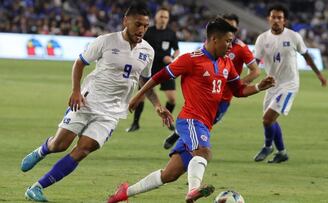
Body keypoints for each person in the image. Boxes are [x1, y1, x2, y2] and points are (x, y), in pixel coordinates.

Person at [107, 17, 275, 203]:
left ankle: (123, 193)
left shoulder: (226, 63)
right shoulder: (191, 60)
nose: (230, 46)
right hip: (191, 120)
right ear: (214, 39)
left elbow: (239, 91)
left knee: (169, 174)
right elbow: (160, 76)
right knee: (204, 153)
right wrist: (139, 95)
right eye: (228, 41)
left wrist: (260, 86)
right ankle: (193, 191)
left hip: (204, 124)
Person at [20, 3, 173, 202]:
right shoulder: (106, 41)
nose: (142, 30)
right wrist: (76, 91)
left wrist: (158, 105)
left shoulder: (148, 51)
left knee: (83, 149)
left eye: (145, 25)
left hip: (112, 112)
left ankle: (37, 187)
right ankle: (42, 150)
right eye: (138, 24)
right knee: (60, 145)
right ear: (125, 21)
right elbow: (80, 63)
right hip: (88, 100)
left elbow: (145, 81)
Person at [162, 13, 261, 149]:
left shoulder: (241, 48)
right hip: (204, 93)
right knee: (199, 127)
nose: (228, 28)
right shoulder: (211, 45)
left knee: (207, 124)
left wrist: (238, 83)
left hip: (224, 97)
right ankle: (190, 148)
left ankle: (182, 143)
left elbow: (256, 70)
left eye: (232, 26)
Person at [253, 4, 327, 163]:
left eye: (279, 18)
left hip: (289, 84)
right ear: (268, 19)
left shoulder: (294, 36)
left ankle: (267, 146)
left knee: (267, 120)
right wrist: (248, 77)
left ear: (284, 20)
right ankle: (282, 152)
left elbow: (307, 56)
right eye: (273, 17)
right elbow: (255, 62)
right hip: (271, 84)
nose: (276, 20)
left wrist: (319, 75)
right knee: (271, 120)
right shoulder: (262, 39)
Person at [126, 6, 180, 132]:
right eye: (161, 16)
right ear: (156, 17)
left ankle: (167, 121)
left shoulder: (171, 33)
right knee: (142, 96)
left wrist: (172, 57)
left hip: (165, 69)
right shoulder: (148, 31)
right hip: (148, 67)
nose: (163, 19)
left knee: (172, 98)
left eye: (166, 17)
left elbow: (177, 50)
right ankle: (135, 123)